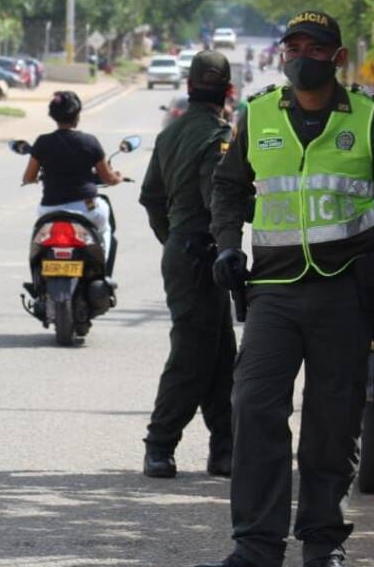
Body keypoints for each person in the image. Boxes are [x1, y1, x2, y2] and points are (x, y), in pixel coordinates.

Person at [196, 10, 374, 567]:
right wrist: (225, 245)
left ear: (337, 57)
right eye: (292, 45)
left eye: (314, 47)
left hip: (347, 291)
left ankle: (322, 549)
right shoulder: (257, 113)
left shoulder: (372, 120)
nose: (301, 55)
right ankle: (255, 552)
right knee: (254, 406)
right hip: (273, 289)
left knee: (333, 422)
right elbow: (228, 186)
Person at [137, 51, 235, 479]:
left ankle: (225, 448)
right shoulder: (216, 136)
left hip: (185, 248)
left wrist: (172, 238)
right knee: (193, 353)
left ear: (190, 86)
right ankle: (160, 443)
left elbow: (150, 197)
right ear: (228, 91)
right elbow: (219, 200)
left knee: (221, 354)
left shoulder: (171, 132)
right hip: (202, 252)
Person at [21, 90, 121, 260]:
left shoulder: (42, 142)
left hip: (49, 210)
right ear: (77, 116)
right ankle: (103, 268)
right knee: (105, 230)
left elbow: (28, 178)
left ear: (53, 115)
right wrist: (117, 177)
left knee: (38, 238)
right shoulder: (90, 141)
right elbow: (108, 178)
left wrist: (36, 179)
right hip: (86, 209)